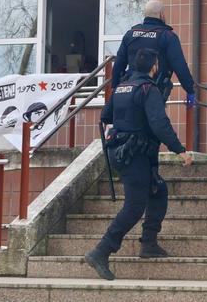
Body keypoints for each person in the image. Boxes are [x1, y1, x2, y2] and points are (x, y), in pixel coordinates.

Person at [85, 48, 193, 281]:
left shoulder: (122, 87)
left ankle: (149, 243)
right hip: (135, 154)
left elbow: (105, 116)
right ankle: (101, 251)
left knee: (158, 191)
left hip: (122, 152)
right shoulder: (148, 89)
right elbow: (159, 124)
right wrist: (180, 150)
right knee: (134, 207)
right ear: (154, 66)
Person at [111, 0, 196, 107]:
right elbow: (180, 66)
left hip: (129, 91)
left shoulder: (130, 34)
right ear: (161, 15)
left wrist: (115, 88)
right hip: (154, 91)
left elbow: (119, 63)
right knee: (153, 121)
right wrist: (190, 90)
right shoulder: (167, 36)